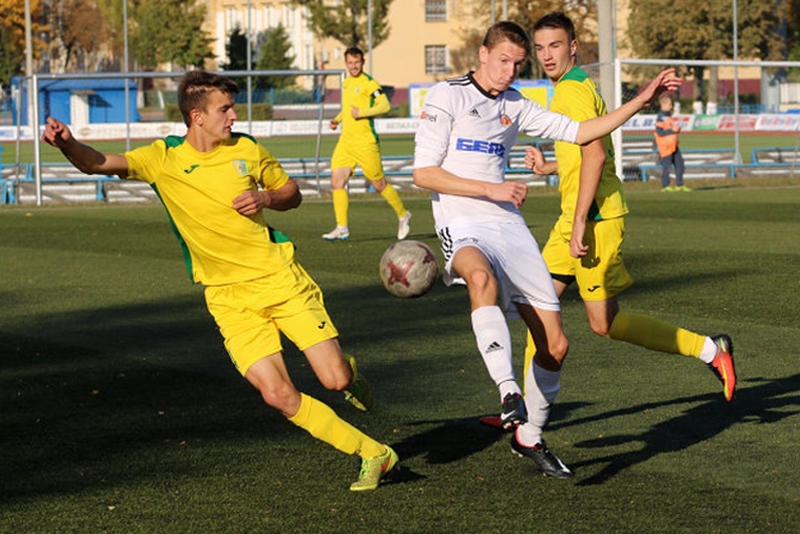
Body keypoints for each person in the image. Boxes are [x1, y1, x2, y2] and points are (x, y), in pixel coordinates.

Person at [41, 71, 397, 492]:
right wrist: (67, 144)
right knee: (277, 395)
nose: (233, 116)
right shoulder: (163, 158)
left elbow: (292, 193)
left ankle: (350, 376)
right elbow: (97, 162)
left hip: (279, 279)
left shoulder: (247, 148)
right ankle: (373, 453)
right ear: (197, 117)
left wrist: (266, 197)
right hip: (228, 298)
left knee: (335, 380)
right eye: (224, 109)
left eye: (232, 108)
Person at [412, 20, 681, 478]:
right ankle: (508, 391)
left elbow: (583, 132)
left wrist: (641, 99)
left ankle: (528, 434)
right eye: (503, 61)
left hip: (507, 224)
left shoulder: (516, 103)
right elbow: (424, 173)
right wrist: (490, 189)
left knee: (555, 345)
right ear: (483, 54)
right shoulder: (446, 95)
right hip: (462, 219)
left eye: (518, 64)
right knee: (481, 278)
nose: (510, 72)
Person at [519, 12, 734, 409]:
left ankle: (709, 350)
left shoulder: (571, 90)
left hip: (594, 220)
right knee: (538, 308)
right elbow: (587, 151)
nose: (547, 55)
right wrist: (549, 168)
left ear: (572, 47)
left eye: (555, 45)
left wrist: (580, 221)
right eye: (540, 48)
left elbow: (596, 156)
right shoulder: (573, 85)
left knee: (604, 324)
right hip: (577, 217)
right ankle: (523, 410)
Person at [322, 46, 412, 241]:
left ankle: (403, 215)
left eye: (357, 62)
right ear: (346, 63)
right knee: (337, 182)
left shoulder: (370, 83)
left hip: (365, 143)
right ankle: (342, 227)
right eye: (350, 63)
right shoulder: (347, 83)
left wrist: (361, 113)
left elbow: (385, 105)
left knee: (379, 185)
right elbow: (348, 109)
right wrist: (337, 119)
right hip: (346, 142)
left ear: (362, 62)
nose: (354, 66)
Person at [655, 92, 688, 191]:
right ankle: (665, 186)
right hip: (665, 147)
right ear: (663, 104)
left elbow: (670, 128)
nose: (671, 106)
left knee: (680, 164)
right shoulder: (660, 117)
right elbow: (659, 132)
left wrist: (676, 129)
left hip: (673, 145)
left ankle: (679, 185)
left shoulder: (668, 115)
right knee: (667, 167)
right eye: (670, 104)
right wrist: (672, 130)